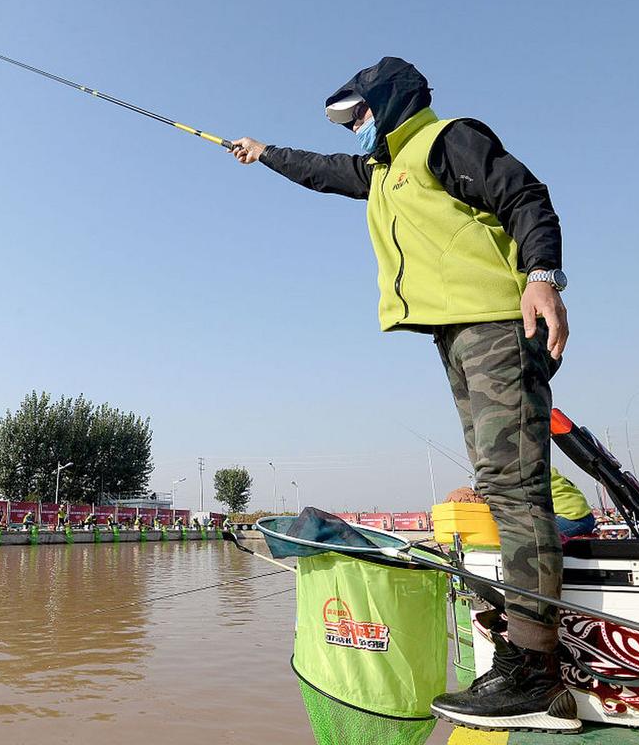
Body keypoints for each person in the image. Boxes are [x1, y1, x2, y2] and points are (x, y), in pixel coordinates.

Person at [230, 57, 573, 731]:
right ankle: (521, 656)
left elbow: (525, 195)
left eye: (359, 113)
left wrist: (541, 275)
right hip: (454, 332)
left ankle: (536, 673)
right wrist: (261, 151)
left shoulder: (446, 140)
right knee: (496, 484)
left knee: (512, 488)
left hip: (497, 322)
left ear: (388, 101)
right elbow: (319, 171)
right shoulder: (382, 170)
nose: (354, 128)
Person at [551, 468, 595, 538]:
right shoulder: (548, 468)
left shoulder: (531, 471)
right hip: (584, 517)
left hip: (573, 520)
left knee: (531, 535)